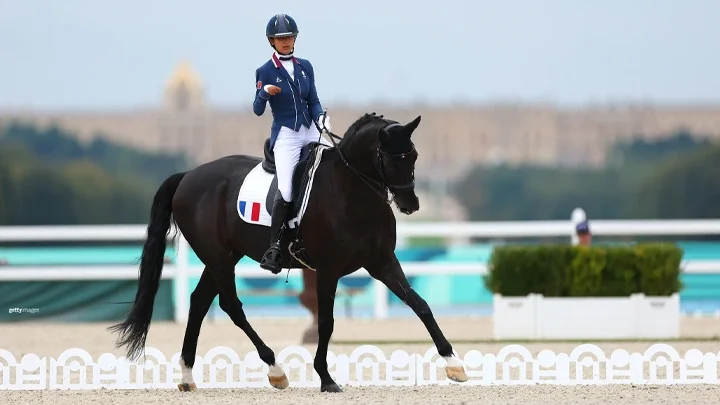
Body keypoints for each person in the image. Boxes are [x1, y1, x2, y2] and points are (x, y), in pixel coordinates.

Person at [253, 13, 333, 274]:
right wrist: (264, 93)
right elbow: (256, 109)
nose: (285, 42)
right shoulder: (265, 71)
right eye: (280, 39)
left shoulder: (305, 66)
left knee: (335, 169)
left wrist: (321, 117)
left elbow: (314, 99)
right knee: (286, 189)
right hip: (286, 134)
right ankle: (274, 247)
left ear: (294, 39)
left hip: (310, 129)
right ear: (272, 42)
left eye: (288, 37)